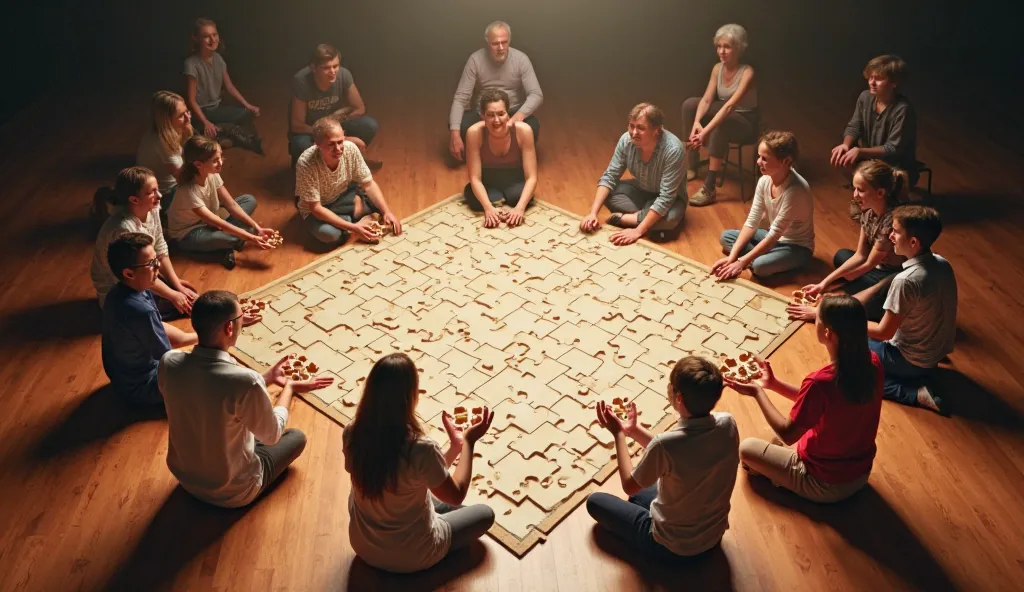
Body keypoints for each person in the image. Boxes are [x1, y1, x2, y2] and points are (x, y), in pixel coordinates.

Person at [159, 290, 333, 507]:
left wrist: (267, 378)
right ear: (229, 327)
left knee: (236, 419)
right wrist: (289, 388)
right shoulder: (245, 382)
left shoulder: (169, 362)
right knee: (296, 437)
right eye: (240, 317)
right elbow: (273, 436)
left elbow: (211, 391)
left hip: (185, 479)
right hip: (233, 492)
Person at [344, 353, 496, 573]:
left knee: (365, 487)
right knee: (483, 513)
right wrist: (469, 442)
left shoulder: (352, 432)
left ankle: (438, 514)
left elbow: (413, 474)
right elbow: (456, 494)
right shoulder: (421, 448)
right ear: (410, 397)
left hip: (363, 545)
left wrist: (454, 448)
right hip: (413, 555)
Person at [730, 295, 884, 503]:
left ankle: (781, 480)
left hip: (824, 483)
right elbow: (823, 403)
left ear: (828, 333)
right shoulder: (872, 362)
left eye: (816, 319)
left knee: (747, 449)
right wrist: (774, 384)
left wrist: (758, 393)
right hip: (860, 472)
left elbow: (787, 434)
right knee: (779, 441)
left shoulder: (820, 382)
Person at [586, 356, 738, 559]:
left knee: (595, 502)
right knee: (640, 494)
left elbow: (629, 485)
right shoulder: (728, 423)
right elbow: (677, 453)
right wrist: (633, 430)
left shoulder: (665, 445)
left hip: (670, 548)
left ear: (679, 398)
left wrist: (619, 435)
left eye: (671, 386)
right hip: (713, 537)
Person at [862, 205, 956, 413]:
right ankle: (919, 374)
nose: (889, 235)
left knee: (847, 356)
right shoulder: (942, 263)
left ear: (913, 242)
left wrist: (843, 323)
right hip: (933, 355)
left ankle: (914, 393)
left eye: (895, 231)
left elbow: (883, 332)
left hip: (911, 361)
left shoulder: (906, 281)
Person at [788, 160, 908, 322]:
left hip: (893, 275)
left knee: (863, 287)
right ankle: (860, 293)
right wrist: (823, 284)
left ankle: (860, 299)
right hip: (876, 268)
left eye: (861, 190)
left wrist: (836, 288)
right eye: (854, 189)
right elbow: (860, 255)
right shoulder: (867, 213)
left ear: (880, 193)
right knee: (842, 255)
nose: (855, 194)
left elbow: (868, 264)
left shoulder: (891, 221)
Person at [101, 234, 198, 406]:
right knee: (213, 375)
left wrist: (208, 333)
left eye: (156, 259)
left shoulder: (121, 291)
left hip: (121, 379)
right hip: (141, 387)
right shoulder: (140, 310)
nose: (158, 265)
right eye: (151, 263)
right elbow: (169, 359)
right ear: (129, 273)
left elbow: (170, 334)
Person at [91, 167, 197, 317]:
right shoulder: (124, 229)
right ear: (134, 199)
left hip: (143, 271)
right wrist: (173, 295)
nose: (159, 196)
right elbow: (136, 274)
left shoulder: (152, 209)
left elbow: (160, 247)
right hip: (121, 287)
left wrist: (177, 285)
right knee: (185, 307)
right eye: (151, 192)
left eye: (157, 189)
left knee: (189, 295)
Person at [712, 130, 814, 280]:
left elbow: (774, 235)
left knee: (760, 267)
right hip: (773, 237)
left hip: (796, 246)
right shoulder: (765, 180)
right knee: (726, 237)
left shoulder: (796, 191)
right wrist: (733, 257)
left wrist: (742, 261)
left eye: (764, 158)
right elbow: (752, 222)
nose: (758, 162)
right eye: (759, 156)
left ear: (786, 161)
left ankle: (762, 258)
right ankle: (762, 256)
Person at [580, 103, 686, 245]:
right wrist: (593, 213)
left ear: (657, 130)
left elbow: (666, 197)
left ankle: (628, 219)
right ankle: (646, 218)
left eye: (641, 128)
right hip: (641, 190)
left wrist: (637, 231)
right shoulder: (626, 140)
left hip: (671, 198)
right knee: (609, 193)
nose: (634, 132)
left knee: (670, 219)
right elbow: (610, 176)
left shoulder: (673, 149)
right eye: (631, 126)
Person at [165, 135, 275, 269]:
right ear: (198, 164)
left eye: (220, 157)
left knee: (249, 200)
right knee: (229, 238)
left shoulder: (212, 174)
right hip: (189, 232)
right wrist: (252, 238)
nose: (221, 162)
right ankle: (194, 248)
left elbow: (231, 204)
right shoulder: (188, 191)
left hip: (211, 222)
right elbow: (220, 224)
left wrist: (257, 227)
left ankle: (225, 245)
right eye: (215, 160)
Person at [830, 55, 917, 216]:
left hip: (895, 166)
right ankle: (868, 194)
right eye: (870, 77)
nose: (872, 82)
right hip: (871, 163)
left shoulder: (902, 109)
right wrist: (846, 144)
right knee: (843, 157)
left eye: (879, 79)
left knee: (875, 214)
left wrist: (860, 151)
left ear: (893, 83)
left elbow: (893, 149)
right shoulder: (865, 98)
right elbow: (854, 126)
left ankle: (894, 198)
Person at [682, 24, 759, 207]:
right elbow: (707, 100)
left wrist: (705, 132)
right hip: (725, 112)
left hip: (746, 121)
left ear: (738, 48)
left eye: (727, 47)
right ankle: (692, 165)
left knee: (722, 123)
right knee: (690, 104)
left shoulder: (748, 72)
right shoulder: (718, 68)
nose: (721, 51)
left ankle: (709, 187)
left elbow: (730, 107)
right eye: (719, 46)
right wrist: (696, 123)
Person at [295, 117, 402, 247]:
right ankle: (355, 217)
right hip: (317, 208)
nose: (338, 149)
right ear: (317, 144)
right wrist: (353, 228)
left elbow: (368, 184)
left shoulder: (350, 148)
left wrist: (386, 212)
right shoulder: (306, 162)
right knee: (330, 235)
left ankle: (351, 217)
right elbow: (315, 208)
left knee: (364, 206)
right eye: (331, 144)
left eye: (340, 142)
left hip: (342, 196)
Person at [448, 21, 543, 162]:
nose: (500, 48)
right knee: (458, 126)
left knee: (532, 127)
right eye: (495, 43)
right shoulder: (475, 60)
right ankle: (484, 156)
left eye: (504, 42)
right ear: (487, 42)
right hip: (484, 113)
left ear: (509, 40)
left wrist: (515, 119)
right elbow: (461, 98)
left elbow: (536, 94)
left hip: (511, 112)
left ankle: (507, 157)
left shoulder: (521, 59)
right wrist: (454, 135)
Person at [289, 44, 381, 168]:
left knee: (369, 125)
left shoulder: (343, 74)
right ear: (314, 68)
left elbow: (359, 108)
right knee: (300, 145)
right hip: (310, 130)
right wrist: (342, 138)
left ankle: (347, 162)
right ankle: (316, 169)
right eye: (326, 68)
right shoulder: (302, 80)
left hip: (335, 124)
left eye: (335, 66)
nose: (333, 72)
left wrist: (338, 118)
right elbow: (297, 125)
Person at [183, 18, 263, 154]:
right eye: (206, 36)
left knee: (247, 114)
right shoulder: (191, 64)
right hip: (202, 111)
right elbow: (191, 100)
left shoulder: (218, 59)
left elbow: (230, 87)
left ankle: (220, 132)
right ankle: (217, 132)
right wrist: (206, 121)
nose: (212, 39)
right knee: (201, 135)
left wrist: (248, 105)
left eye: (214, 35)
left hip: (217, 108)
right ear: (196, 39)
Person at [464, 89, 538, 228]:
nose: (496, 120)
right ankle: (496, 202)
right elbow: (475, 178)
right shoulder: (474, 133)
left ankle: (501, 200)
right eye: (490, 115)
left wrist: (519, 209)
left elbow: (532, 177)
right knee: (474, 199)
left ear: (508, 113)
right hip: (488, 179)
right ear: (482, 116)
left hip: (514, 179)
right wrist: (488, 208)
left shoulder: (524, 131)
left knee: (518, 197)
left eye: (501, 114)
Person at [136, 90, 193, 208]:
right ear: (167, 120)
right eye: (181, 115)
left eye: (187, 111)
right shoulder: (162, 143)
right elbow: (183, 179)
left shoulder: (165, 132)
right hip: (164, 195)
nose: (188, 118)